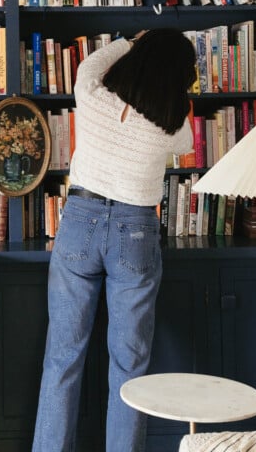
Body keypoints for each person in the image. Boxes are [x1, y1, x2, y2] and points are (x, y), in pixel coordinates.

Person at [31, 27, 197, 452]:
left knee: (62, 358)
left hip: (80, 220)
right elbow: (188, 141)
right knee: (129, 366)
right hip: (135, 229)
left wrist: (132, 41)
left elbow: (89, 66)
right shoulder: (171, 125)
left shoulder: (91, 95)